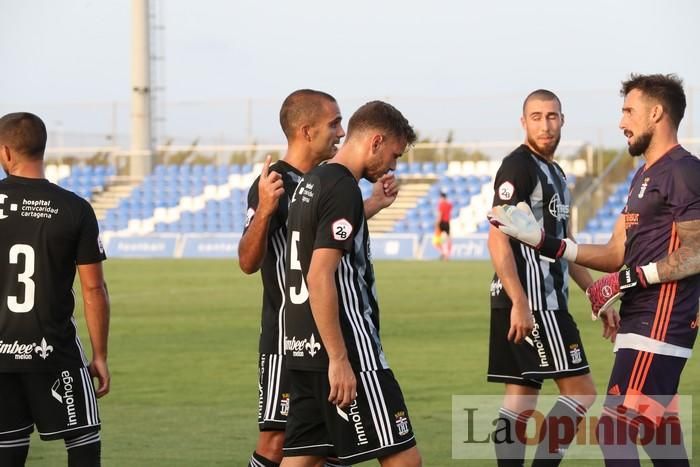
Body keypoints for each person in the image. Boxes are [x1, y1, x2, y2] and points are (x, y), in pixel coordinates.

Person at [490, 74, 700, 466]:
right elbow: (615, 251)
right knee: (660, 433)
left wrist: (627, 280)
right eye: (536, 116)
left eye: (628, 111)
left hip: (661, 318)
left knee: (613, 428)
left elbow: (697, 251)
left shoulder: (684, 171)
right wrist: (542, 242)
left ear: (656, 113)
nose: (621, 121)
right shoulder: (643, 175)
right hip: (637, 316)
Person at [238, 90, 399, 467]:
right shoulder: (274, 181)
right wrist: (263, 210)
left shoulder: (321, 181)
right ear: (307, 131)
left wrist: (371, 204)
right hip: (286, 334)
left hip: (320, 331)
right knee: (277, 440)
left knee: (326, 444)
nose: (341, 132)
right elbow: (247, 261)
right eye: (334, 123)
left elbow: (325, 239)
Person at [281, 101, 422, 466]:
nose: (393, 165)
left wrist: (371, 205)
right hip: (348, 350)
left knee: (303, 459)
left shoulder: (312, 182)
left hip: (300, 348)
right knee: (405, 461)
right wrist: (340, 359)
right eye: (394, 154)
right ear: (375, 141)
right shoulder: (342, 188)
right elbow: (319, 275)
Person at [486, 90, 597, 466]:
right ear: (523, 122)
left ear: (563, 120)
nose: (545, 125)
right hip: (534, 300)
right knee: (581, 394)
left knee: (520, 398)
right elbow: (497, 234)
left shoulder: (556, 172)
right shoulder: (518, 166)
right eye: (536, 117)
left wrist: (594, 290)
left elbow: (564, 244)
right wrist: (520, 301)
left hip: (532, 300)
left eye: (552, 116)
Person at [0, 112, 110, 467]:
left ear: (5, 152)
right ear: (42, 150)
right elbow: (94, 289)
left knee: (8, 449)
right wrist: (100, 356)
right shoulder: (74, 208)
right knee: (83, 444)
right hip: (55, 350)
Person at [435, 191, 452, 260]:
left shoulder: (441, 204)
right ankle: (446, 254)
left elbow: (440, 214)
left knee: (440, 240)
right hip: (447, 222)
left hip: (442, 222)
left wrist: (437, 223)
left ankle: (444, 254)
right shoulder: (449, 204)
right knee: (446, 239)